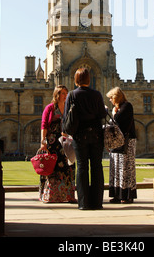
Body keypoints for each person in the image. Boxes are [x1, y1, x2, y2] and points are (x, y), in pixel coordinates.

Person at [63, 68, 106, 210]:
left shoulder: (72, 95)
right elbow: (101, 115)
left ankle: (83, 203)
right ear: (88, 80)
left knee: (81, 167)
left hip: (79, 135)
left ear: (76, 80)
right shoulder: (97, 95)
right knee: (96, 166)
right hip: (96, 134)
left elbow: (67, 117)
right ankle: (97, 202)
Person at [39, 85, 76, 203]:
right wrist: (43, 141)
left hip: (65, 142)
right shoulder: (50, 108)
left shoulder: (69, 108)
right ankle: (51, 195)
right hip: (52, 142)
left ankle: (68, 196)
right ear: (57, 95)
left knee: (68, 168)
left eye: (66, 93)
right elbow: (44, 125)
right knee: (52, 169)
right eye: (63, 93)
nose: (65, 95)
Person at [106, 87, 137, 204]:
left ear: (116, 97)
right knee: (116, 169)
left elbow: (117, 120)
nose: (110, 100)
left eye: (111, 98)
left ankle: (127, 195)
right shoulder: (118, 108)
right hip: (116, 141)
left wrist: (113, 113)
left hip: (127, 142)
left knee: (125, 168)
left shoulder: (127, 106)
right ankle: (117, 195)